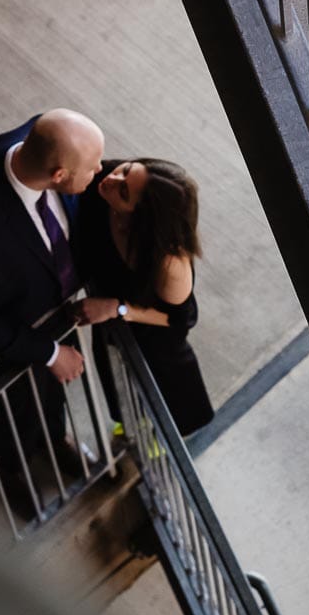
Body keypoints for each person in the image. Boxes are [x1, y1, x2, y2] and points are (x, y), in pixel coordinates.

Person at [0, 110, 104, 519]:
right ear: (59, 175)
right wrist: (48, 352)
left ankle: (52, 439)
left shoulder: (39, 137)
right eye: (92, 166)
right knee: (22, 406)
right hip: (16, 333)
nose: (100, 172)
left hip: (53, 310)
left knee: (53, 394)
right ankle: (10, 466)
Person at [70, 158, 215, 437]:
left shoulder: (168, 261)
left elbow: (179, 318)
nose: (112, 180)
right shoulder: (102, 181)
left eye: (124, 192)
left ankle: (159, 437)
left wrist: (117, 308)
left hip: (155, 336)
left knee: (163, 398)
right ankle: (129, 427)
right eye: (125, 170)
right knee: (116, 384)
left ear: (142, 218)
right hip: (111, 321)